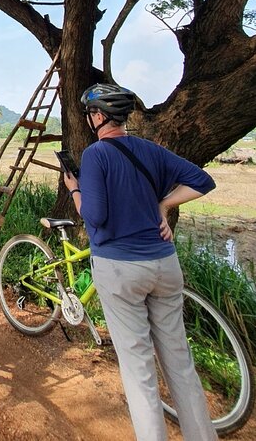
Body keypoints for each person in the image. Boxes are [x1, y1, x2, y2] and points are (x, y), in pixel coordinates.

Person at [63, 83, 217, 441]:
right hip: (164, 265)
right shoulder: (150, 150)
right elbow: (202, 181)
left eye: (90, 114)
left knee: (139, 372)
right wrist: (164, 205)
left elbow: (95, 217)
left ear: (98, 116)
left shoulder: (96, 155)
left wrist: (75, 191)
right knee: (180, 364)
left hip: (120, 271)